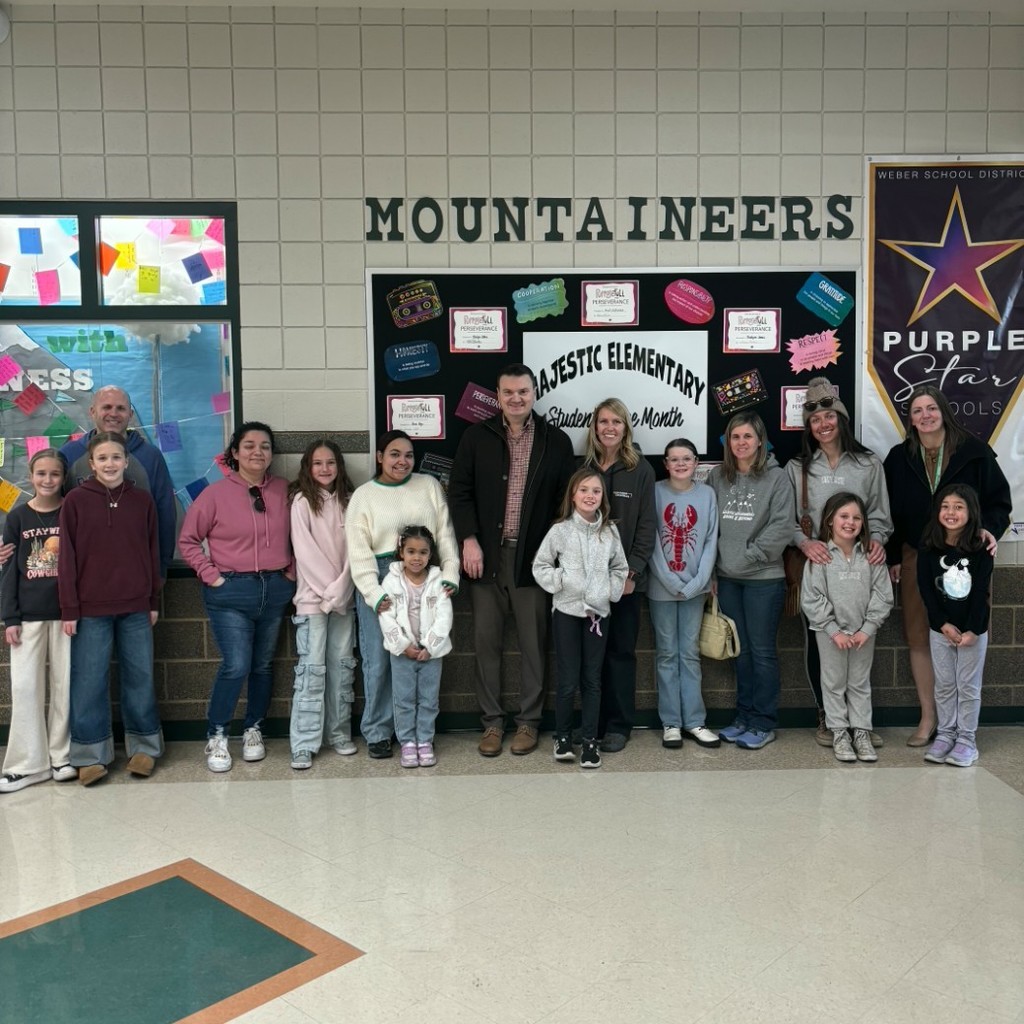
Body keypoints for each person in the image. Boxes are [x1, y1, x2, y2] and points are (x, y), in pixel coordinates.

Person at [449, 363, 575, 757]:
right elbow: (460, 491)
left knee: (533, 643)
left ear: (534, 394)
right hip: (485, 558)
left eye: (523, 391)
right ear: (498, 395)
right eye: (508, 392)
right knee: (486, 643)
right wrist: (468, 540)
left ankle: (528, 722)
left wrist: (552, 555)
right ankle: (491, 724)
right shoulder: (476, 436)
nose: (516, 398)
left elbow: (564, 502)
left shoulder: (557, 441)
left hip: (533, 561)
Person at [884, 385, 1010, 746]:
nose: (925, 415)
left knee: (965, 633)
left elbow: (1000, 503)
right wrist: (894, 556)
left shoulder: (974, 452)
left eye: (931, 408)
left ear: (943, 411)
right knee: (920, 635)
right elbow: (889, 512)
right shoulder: (899, 456)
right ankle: (929, 719)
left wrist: (990, 530)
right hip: (917, 554)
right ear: (910, 419)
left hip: (966, 555)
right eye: (917, 410)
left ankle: (962, 727)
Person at [179, 422, 296, 773]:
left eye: (264, 446)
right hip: (230, 592)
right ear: (235, 452)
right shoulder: (214, 495)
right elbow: (187, 541)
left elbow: (305, 534)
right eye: (249, 445)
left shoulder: (285, 491)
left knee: (262, 665)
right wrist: (212, 577)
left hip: (274, 590)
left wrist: (290, 572)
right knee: (236, 665)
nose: (257, 452)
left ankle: (253, 728)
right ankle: (217, 734)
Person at [786, 376, 892, 749]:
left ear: (841, 418)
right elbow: (786, 518)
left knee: (861, 644)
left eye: (829, 416)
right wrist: (804, 542)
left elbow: (878, 513)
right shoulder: (798, 467)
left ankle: (858, 724)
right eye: (815, 420)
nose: (823, 424)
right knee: (821, 643)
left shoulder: (867, 464)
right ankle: (828, 718)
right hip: (817, 569)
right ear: (809, 426)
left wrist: (877, 539)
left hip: (860, 568)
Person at [58, 432, 163, 786]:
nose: (110, 464)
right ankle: (90, 754)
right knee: (89, 680)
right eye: (102, 458)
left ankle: (144, 749)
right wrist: (69, 608)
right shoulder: (74, 501)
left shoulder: (142, 501)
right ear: (91, 464)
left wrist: (152, 601)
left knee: (140, 677)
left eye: (116, 457)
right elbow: (67, 559)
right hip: (89, 609)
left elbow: (152, 552)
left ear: (126, 461)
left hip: (135, 607)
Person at [346, 430, 459, 760]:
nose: (402, 461)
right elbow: (357, 550)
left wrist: (450, 574)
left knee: (425, 653)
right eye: (394, 454)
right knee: (380, 659)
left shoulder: (429, 487)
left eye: (408, 455)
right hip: (381, 578)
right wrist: (372, 592)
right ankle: (379, 731)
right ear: (380, 456)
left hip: (425, 575)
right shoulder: (364, 496)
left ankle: (420, 734)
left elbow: (446, 534)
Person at [708, 412, 795, 750]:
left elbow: (782, 526)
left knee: (761, 652)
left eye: (747, 436)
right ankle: (743, 716)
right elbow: (709, 525)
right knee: (740, 653)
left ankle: (763, 721)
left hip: (763, 579)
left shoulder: (777, 478)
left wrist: (750, 556)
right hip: (727, 580)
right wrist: (714, 569)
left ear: (760, 440)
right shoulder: (718, 476)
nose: (741, 443)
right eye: (735, 437)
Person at [532, 468, 628, 769]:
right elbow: (541, 565)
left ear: (602, 497)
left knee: (592, 680)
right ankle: (562, 737)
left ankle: (589, 741)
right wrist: (562, 581)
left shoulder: (609, 531)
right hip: (566, 613)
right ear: (573, 495)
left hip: (597, 615)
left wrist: (609, 591)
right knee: (567, 679)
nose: (590, 496)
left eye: (596, 491)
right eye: (584, 490)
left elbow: (620, 568)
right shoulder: (560, 530)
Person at [581, 398, 656, 753]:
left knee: (620, 653)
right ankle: (590, 723)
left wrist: (633, 572)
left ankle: (618, 725)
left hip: (626, 583)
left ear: (626, 427)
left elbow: (646, 526)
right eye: (603, 421)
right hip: (585, 582)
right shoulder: (581, 467)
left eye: (617, 422)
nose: (609, 428)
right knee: (590, 654)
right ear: (594, 427)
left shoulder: (639, 469)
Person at [0, 450, 76, 793]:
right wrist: (9, 618)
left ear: (63, 477)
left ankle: (60, 756)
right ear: (31, 476)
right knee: (25, 687)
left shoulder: (71, 513)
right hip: (27, 619)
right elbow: (8, 572)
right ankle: (27, 764)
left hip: (66, 617)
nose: (48, 480)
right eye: (41, 473)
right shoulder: (16, 518)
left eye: (55, 474)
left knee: (64, 686)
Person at [801, 492, 894, 764]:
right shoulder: (820, 557)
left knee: (859, 683)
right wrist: (833, 630)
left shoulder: (871, 556)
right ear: (830, 520)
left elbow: (883, 595)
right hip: (830, 634)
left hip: (864, 633)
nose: (850, 522)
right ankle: (839, 732)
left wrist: (867, 628)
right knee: (833, 683)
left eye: (856, 517)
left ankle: (862, 732)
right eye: (844, 516)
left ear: (864, 523)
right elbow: (811, 598)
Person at [288, 440, 358, 771]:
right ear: (308, 467)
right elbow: (305, 554)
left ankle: (339, 733)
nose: (325, 469)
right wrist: (330, 593)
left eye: (331, 462)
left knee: (342, 668)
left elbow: (355, 553)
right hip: (313, 601)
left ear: (339, 466)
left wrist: (342, 590)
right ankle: (304, 743)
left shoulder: (350, 501)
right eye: (318, 463)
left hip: (344, 600)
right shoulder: (302, 502)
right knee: (312, 672)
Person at [647, 438, 720, 750]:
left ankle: (694, 720)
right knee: (666, 654)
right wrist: (670, 580)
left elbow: (709, 541)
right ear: (665, 463)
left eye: (686, 459)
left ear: (696, 462)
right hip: (661, 589)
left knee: (689, 654)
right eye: (673, 459)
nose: (680, 464)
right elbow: (649, 540)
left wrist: (697, 582)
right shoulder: (654, 491)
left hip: (695, 588)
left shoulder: (707, 495)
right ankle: (671, 723)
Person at [59, 385, 177, 577]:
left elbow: (165, 514)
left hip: (138, 573)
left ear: (130, 414)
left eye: (120, 408)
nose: (113, 414)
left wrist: (162, 567)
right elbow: (51, 510)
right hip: (83, 574)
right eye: (106, 407)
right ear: (92, 412)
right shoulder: (69, 454)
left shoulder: (150, 457)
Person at [917, 484, 993, 768]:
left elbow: (980, 591)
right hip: (941, 630)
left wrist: (974, 629)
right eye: (945, 506)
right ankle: (946, 734)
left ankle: (966, 741)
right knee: (946, 685)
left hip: (973, 631)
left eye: (958, 507)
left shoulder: (981, 546)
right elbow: (925, 588)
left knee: (968, 686)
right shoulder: (928, 546)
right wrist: (941, 624)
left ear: (970, 511)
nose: (951, 512)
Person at [379, 525, 455, 769]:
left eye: (423, 552)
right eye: (411, 551)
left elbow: (445, 617)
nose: (416, 558)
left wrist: (430, 646)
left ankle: (425, 740)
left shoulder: (437, 580)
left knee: (428, 699)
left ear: (430, 554)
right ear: (401, 552)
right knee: (404, 700)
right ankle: (408, 742)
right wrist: (403, 646)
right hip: (402, 653)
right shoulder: (391, 580)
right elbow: (386, 616)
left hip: (431, 654)